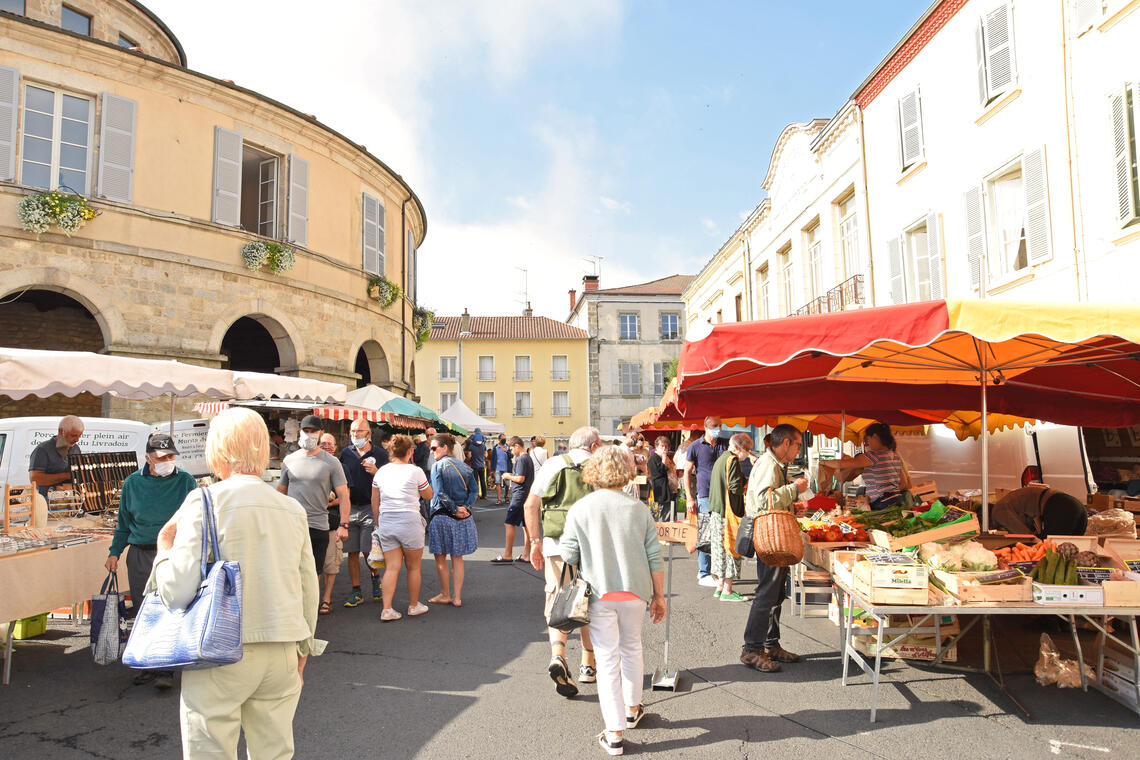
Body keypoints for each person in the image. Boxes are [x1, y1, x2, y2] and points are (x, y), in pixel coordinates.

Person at [152, 407, 321, 759]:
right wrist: (303, 648)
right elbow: (307, 585)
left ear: (217, 449)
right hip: (281, 648)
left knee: (210, 751)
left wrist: (163, 550)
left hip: (218, 648)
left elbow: (175, 591)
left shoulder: (203, 501)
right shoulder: (291, 508)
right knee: (274, 752)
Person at [559, 446, 666, 756]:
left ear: (594, 471)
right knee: (632, 648)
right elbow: (654, 557)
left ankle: (615, 733)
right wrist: (659, 596)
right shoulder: (638, 509)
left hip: (599, 591)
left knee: (606, 660)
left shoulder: (582, 508)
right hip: (635, 592)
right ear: (626, 471)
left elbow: (568, 555)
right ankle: (633, 709)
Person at [105, 432, 197, 690]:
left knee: (170, 607)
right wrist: (115, 552)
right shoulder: (132, 483)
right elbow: (124, 522)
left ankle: (165, 668)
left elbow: (194, 518)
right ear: (148, 458)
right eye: (162, 457)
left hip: (173, 552)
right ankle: (148, 662)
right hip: (140, 552)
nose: (168, 460)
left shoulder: (186, 481)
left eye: (170, 456)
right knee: (145, 610)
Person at [524, 426, 600, 698]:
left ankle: (558, 656)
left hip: (557, 544)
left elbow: (530, 505)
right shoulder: (599, 465)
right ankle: (588, 664)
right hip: (594, 546)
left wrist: (535, 542)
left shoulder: (553, 463)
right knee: (591, 601)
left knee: (559, 599)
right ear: (594, 446)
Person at [740, 424, 808, 673]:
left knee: (775, 594)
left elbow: (771, 498)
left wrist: (792, 506)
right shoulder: (769, 464)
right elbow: (761, 501)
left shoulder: (776, 464)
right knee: (767, 593)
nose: (799, 449)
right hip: (770, 538)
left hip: (775, 536)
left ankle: (770, 644)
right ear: (786, 443)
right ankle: (751, 649)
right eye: (798, 444)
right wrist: (793, 490)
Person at [277, 415, 350, 578]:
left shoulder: (332, 462)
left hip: (318, 526)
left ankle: (311, 604)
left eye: (313, 431)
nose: (309, 434)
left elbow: (344, 495)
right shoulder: (289, 460)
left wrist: (344, 524)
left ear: (321, 433)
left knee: (313, 574)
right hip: (293, 526)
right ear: (300, 432)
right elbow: (281, 492)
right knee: (291, 572)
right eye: (306, 431)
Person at [371, 434, 433, 621]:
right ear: (409, 451)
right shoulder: (415, 471)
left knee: (391, 568)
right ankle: (414, 605)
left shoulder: (381, 472)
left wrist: (378, 522)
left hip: (387, 522)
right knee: (413, 567)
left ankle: (387, 609)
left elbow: (375, 500)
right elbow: (428, 495)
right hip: (410, 521)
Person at [339, 418, 387, 607]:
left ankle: (375, 579)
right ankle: (356, 590)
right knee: (351, 551)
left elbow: (389, 479)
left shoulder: (380, 454)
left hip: (370, 506)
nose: (355, 435)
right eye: (352, 432)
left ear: (368, 434)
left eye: (359, 431)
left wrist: (376, 471)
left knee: (368, 550)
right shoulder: (345, 453)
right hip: (350, 507)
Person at [426, 433, 478, 607]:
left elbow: (439, 492)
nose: (431, 451)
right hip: (463, 517)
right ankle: (457, 597)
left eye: (434, 448)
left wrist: (455, 509)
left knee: (440, 557)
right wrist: (465, 508)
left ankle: (445, 594)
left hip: (442, 515)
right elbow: (474, 491)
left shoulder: (437, 466)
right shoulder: (465, 467)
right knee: (457, 558)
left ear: (444, 447)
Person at [817, 422, 909, 510]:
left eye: (867, 439)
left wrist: (823, 462)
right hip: (897, 500)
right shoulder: (894, 455)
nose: (866, 443)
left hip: (882, 503)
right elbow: (904, 484)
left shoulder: (873, 456)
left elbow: (840, 464)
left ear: (875, 436)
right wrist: (890, 493)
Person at [683, 417, 728, 587]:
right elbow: (686, 472)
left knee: (720, 533)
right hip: (705, 495)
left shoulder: (725, 444)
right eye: (714, 427)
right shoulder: (695, 446)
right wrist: (689, 497)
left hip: (723, 495)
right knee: (705, 533)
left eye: (719, 427)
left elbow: (740, 450)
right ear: (706, 428)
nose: (717, 429)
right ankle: (704, 572)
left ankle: (717, 571)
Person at [707, 433, 751, 603]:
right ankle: (727, 589)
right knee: (731, 549)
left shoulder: (721, 459)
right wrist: (745, 485)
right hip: (728, 512)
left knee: (720, 549)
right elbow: (734, 487)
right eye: (746, 450)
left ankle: (720, 587)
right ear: (737, 447)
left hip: (717, 510)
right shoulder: (732, 461)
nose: (747, 454)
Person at [316, 433, 344, 616]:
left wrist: (325, 502)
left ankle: (326, 599)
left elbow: (344, 496)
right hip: (311, 523)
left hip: (332, 522)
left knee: (331, 564)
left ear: (335, 447)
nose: (326, 446)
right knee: (313, 566)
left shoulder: (338, 466)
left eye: (329, 443)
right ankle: (313, 599)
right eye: (323, 443)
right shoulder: (310, 465)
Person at [991, 484, 1088, 538]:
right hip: (1074, 504)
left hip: (1060, 507)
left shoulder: (999, 511)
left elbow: (1027, 537)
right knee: (1073, 548)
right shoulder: (1007, 503)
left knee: (1050, 546)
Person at [493, 436, 534, 563]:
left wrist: (508, 476)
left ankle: (507, 554)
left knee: (509, 523)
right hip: (526, 494)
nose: (511, 452)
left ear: (517, 446)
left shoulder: (521, 459)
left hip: (519, 495)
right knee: (525, 526)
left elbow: (521, 478)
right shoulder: (528, 458)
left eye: (511, 448)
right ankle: (526, 555)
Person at [28, 414, 84, 499]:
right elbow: (35, 479)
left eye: (79, 436)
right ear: (61, 431)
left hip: (72, 500)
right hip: (49, 502)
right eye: (73, 435)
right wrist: (66, 476)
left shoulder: (75, 448)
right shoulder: (42, 449)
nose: (77, 440)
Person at [648, 436, 673, 514]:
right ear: (656, 446)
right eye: (662, 446)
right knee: (661, 513)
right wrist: (664, 459)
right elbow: (659, 472)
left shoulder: (663, 457)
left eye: (666, 446)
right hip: (659, 490)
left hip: (666, 488)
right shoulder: (654, 457)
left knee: (667, 512)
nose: (664, 448)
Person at [465, 427, 487, 499]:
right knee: (482, 480)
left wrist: (470, 457)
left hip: (474, 465)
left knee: (476, 481)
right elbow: (486, 455)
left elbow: (469, 456)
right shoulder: (483, 446)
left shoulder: (471, 446)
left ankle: (476, 495)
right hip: (482, 465)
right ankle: (484, 495)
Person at [491, 435, 512, 504]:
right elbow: (493, 459)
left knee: (507, 484)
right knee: (497, 483)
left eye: (505, 438)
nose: (504, 440)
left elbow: (512, 456)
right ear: (499, 439)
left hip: (506, 468)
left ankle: (506, 496)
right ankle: (499, 499)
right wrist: (492, 470)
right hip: (497, 468)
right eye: (503, 438)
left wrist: (507, 451)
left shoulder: (508, 447)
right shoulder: (496, 448)